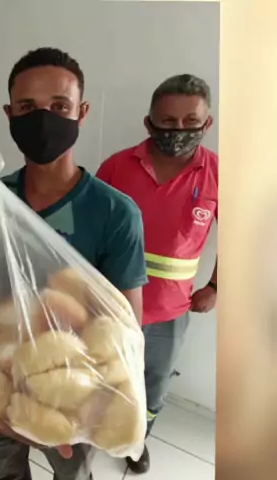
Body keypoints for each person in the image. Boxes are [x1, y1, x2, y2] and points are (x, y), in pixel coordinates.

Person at [0, 47, 148, 480]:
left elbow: (125, 330)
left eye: (59, 106)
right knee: (4, 471)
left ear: (82, 112)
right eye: (27, 107)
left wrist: (91, 406)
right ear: (9, 114)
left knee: (71, 472)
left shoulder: (115, 213)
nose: (43, 119)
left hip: (71, 392)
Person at [96, 74, 218, 475]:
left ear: (207, 123)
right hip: (110, 303)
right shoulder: (116, 166)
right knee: (102, 372)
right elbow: (91, 227)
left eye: (190, 122)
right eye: (168, 122)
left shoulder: (218, 174)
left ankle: (136, 441)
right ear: (149, 123)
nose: (179, 130)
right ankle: (94, 430)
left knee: (154, 383)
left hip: (171, 312)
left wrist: (216, 286)